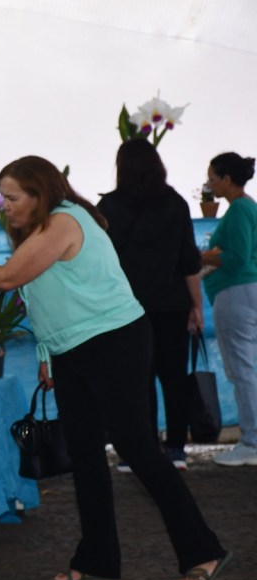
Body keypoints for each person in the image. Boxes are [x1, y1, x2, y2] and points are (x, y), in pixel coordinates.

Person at [0, 155, 229, 580]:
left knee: (137, 447)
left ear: (39, 194)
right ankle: (98, 558)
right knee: (85, 453)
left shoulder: (65, 221)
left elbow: (7, 279)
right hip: (73, 349)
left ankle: (205, 551)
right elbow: (43, 293)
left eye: (12, 197)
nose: (4, 206)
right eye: (3, 198)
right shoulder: (38, 230)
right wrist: (48, 353)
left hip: (114, 341)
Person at [97, 139, 202, 471]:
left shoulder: (109, 207)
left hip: (127, 309)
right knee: (174, 378)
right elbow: (190, 259)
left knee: (136, 380)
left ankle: (141, 451)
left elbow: (102, 263)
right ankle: (176, 450)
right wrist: (196, 305)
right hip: (172, 305)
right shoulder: (176, 203)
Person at [200, 152, 257, 467]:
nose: (209, 182)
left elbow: (236, 256)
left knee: (241, 370)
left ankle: (251, 440)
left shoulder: (238, 211)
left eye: (212, 176)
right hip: (247, 291)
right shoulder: (248, 208)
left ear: (225, 178)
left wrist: (202, 257)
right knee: (246, 368)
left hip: (235, 292)